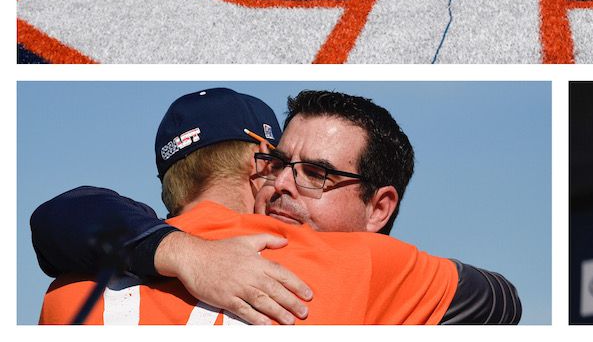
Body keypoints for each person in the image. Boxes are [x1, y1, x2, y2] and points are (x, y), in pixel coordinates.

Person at [34, 88, 521, 325]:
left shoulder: (68, 284)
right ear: (255, 162)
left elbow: (62, 214)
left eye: (316, 173)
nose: (285, 183)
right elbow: (504, 301)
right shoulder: (364, 267)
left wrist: (180, 251)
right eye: (280, 162)